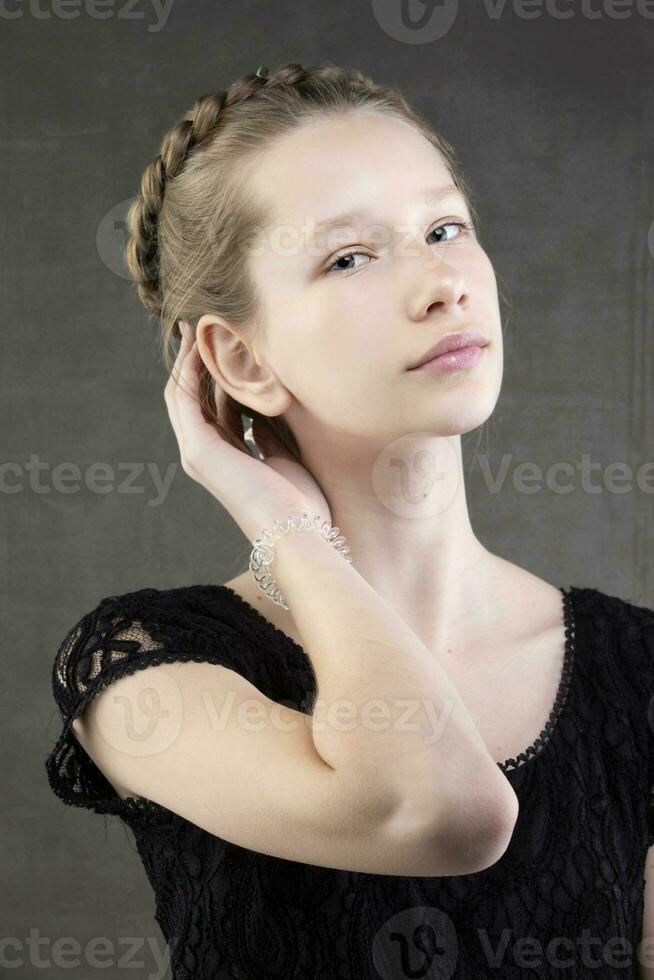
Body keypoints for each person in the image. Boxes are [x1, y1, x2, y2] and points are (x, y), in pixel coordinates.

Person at [45, 61, 654, 979]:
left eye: (445, 227)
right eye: (350, 257)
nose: (444, 282)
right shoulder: (147, 666)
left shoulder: (637, 670)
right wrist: (283, 527)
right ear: (241, 360)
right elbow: (440, 813)